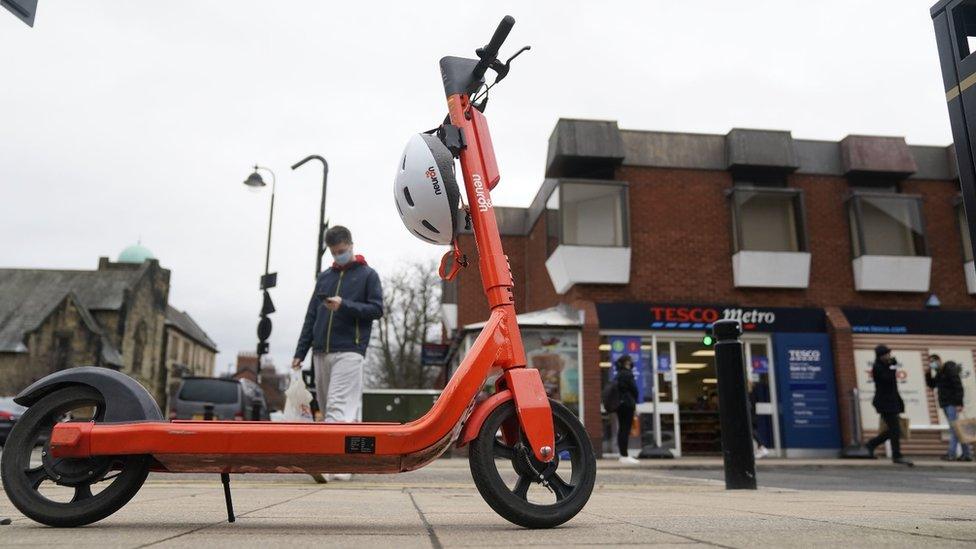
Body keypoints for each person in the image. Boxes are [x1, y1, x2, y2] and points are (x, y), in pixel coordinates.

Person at [293, 225, 383, 480]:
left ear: (351, 246)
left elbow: (377, 310)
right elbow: (312, 315)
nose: (338, 256)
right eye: (334, 253)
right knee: (335, 409)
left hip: (350, 351)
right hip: (321, 351)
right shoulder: (324, 278)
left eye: (342, 251)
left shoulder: (368, 276)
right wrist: (301, 351)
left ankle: (330, 463)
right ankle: (347, 464)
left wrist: (345, 306)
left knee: (337, 407)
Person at [865, 345, 913, 467]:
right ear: (880, 356)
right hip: (884, 403)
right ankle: (896, 455)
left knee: (893, 429)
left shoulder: (886, 366)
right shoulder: (878, 367)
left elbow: (893, 386)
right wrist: (893, 367)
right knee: (894, 429)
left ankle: (871, 444)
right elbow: (886, 379)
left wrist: (899, 403)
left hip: (892, 402)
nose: (888, 356)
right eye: (886, 354)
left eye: (889, 354)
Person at [925, 356, 973, 461]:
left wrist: (959, 403)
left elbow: (958, 386)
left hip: (952, 404)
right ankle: (967, 454)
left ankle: (951, 454)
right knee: (956, 428)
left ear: (939, 361)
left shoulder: (949, 369)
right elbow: (932, 385)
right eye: (930, 363)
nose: (932, 364)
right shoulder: (940, 373)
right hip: (945, 404)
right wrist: (928, 374)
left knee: (953, 429)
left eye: (933, 362)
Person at [614, 355, 640, 465]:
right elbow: (635, 390)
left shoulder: (618, 374)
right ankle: (625, 455)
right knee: (625, 429)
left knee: (621, 429)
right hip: (628, 404)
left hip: (620, 405)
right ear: (627, 362)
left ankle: (622, 454)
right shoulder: (628, 374)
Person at [748, 379, 770, 459]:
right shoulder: (753, 394)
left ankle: (762, 447)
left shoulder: (750, 395)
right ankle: (760, 448)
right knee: (752, 432)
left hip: (750, 416)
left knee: (752, 432)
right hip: (753, 416)